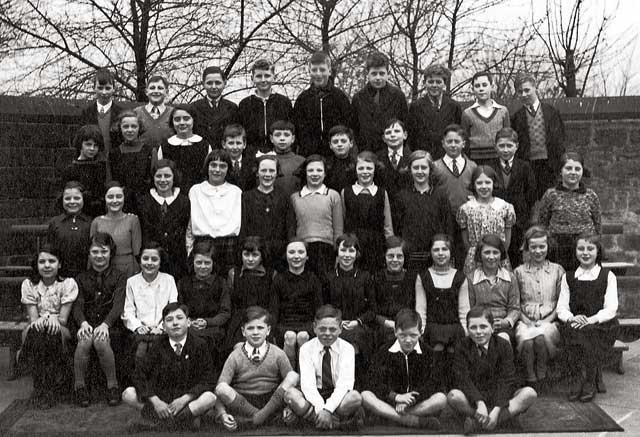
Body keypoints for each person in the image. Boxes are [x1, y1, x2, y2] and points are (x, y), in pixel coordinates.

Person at [121, 303, 216, 431]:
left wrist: (185, 398)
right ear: (164, 327)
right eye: (169, 320)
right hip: (162, 402)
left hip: (187, 401)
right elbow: (138, 374)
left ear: (188, 322)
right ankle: (183, 422)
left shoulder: (200, 345)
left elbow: (208, 378)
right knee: (128, 394)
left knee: (210, 397)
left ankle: (157, 424)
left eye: (179, 318)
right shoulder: (157, 345)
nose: (175, 323)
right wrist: (156, 401)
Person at [447, 306, 537, 435]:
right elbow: (463, 379)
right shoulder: (462, 346)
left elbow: (507, 380)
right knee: (453, 396)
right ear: (467, 329)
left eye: (483, 327)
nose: (478, 332)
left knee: (529, 393)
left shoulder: (503, 345)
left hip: (499, 397)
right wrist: (480, 403)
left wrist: (496, 410)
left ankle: (480, 422)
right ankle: (497, 420)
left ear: (492, 327)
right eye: (473, 327)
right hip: (474, 399)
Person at [215, 306, 299, 430]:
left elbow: (292, 385)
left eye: (260, 328)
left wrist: (289, 407)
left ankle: (257, 418)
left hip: (271, 400)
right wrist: (222, 414)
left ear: (268, 330)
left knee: (293, 376)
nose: (255, 332)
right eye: (250, 328)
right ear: (243, 331)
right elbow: (220, 389)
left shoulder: (278, 353)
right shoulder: (235, 355)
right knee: (222, 388)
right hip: (243, 402)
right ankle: (263, 418)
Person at [557, 233, 618, 402]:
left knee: (589, 332)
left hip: (601, 325)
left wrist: (591, 319)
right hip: (575, 324)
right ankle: (577, 377)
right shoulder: (568, 277)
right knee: (574, 331)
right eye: (581, 248)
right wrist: (572, 318)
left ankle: (590, 380)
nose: (585, 253)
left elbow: (611, 308)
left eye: (590, 249)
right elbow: (561, 307)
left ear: (598, 252)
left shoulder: (607, 276)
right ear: (575, 252)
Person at [362, 309, 446, 429]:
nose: (408, 340)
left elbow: (433, 383)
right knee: (366, 395)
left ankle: (392, 417)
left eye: (413, 335)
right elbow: (373, 381)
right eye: (403, 335)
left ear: (421, 332)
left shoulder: (429, 353)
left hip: (416, 403)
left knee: (441, 399)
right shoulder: (384, 351)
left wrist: (411, 399)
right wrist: (396, 397)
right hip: (390, 402)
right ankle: (411, 421)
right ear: (395, 332)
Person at [284, 305, 364, 430]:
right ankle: (333, 422)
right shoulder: (306, 349)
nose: (327, 334)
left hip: (337, 395)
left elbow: (345, 384)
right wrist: (322, 409)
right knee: (290, 395)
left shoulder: (347, 349)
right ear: (314, 327)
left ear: (340, 329)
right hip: (313, 395)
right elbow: (308, 385)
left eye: (332, 329)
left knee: (355, 398)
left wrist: (328, 409)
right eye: (322, 329)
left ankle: (316, 419)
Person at [19, 244, 78, 409]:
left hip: (61, 328)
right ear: (36, 264)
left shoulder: (67, 284)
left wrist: (53, 318)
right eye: (42, 261)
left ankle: (48, 388)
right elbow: (33, 318)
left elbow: (64, 319)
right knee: (39, 333)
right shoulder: (29, 284)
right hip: (37, 328)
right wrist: (46, 318)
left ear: (59, 264)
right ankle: (40, 388)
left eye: (52, 261)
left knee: (52, 332)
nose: (46, 265)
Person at [72, 232, 126, 407]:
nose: (99, 256)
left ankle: (113, 386)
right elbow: (78, 304)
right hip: (87, 323)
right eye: (95, 252)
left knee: (102, 341)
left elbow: (118, 304)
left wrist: (106, 324)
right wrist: (83, 323)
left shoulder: (120, 277)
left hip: (110, 324)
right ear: (89, 254)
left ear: (111, 253)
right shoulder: (80, 278)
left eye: (104, 251)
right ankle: (79, 387)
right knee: (84, 341)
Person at [514, 226, 564, 391]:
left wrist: (546, 320)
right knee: (526, 339)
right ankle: (530, 376)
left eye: (542, 246)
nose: (538, 251)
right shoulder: (519, 272)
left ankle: (542, 372)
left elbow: (561, 301)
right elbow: (515, 302)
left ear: (548, 247)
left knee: (542, 336)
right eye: (533, 247)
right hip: (525, 319)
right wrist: (526, 320)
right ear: (527, 248)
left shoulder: (557, 270)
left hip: (550, 319)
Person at [415, 234, 469, 388]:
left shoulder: (460, 277)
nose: (440, 253)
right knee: (437, 348)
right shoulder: (423, 277)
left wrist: (466, 333)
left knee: (454, 349)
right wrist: (421, 331)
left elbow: (464, 310)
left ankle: (454, 388)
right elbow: (420, 308)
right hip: (433, 326)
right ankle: (436, 388)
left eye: (444, 249)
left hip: (454, 326)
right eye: (436, 249)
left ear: (451, 252)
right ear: (430, 253)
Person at [322, 234, 376, 379]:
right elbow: (323, 305)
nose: (347, 255)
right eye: (343, 250)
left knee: (355, 342)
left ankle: (355, 383)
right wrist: (336, 321)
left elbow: (372, 310)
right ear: (337, 253)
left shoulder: (365, 277)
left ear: (357, 254)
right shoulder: (328, 277)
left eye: (351, 251)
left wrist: (357, 321)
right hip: (334, 324)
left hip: (357, 325)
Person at [537, 152, 601, 271]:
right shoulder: (551, 194)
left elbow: (598, 226)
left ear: (582, 171)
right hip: (558, 249)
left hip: (584, 248)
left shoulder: (591, 195)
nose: (573, 172)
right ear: (561, 171)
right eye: (568, 168)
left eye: (577, 169)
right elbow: (542, 223)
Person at [393, 150, 454, 271]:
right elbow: (397, 228)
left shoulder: (440, 196)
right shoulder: (401, 196)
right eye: (416, 167)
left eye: (424, 167)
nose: (420, 171)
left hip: (435, 257)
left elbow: (448, 227)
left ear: (430, 170)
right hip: (410, 257)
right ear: (410, 170)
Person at [511, 73, 566, 200]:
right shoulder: (517, 117)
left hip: (550, 165)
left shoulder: (551, 112)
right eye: (520, 92)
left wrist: (560, 164)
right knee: (530, 199)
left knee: (550, 198)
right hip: (528, 165)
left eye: (527, 90)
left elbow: (560, 139)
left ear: (535, 88)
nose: (524, 94)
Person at [122, 242, 178, 366]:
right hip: (140, 332)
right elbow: (128, 311)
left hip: (163, 330)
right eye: (145, 258)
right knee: (140, 351)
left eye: (154, 259)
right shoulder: (132, 282)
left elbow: (173, 307)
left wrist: (162, 327)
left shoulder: (169, 280)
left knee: (160, 351)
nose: (149, 263)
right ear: (140, 260)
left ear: (160, 262)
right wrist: (137, 326)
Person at [187, 150, 242, 272]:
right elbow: (190, 224)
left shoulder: (236, 192)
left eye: (222, 166)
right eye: (213, 165)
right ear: (207, 167)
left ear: (228, 169)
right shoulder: (195, 190)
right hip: (203, 243)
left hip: (228, 244)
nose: (217, 170)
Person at [432, 124, 478, 270]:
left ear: (463, 144)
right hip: (444, 219)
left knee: (465, 253)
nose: (453, 145)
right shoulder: (435, 167)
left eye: (457, 141)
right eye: (449, 141)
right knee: (446, 252)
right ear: (443, 143)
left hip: (466, 219)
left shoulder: (472, 166)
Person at [288, 154, 343, 276]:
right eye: (310, 170)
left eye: (319, 170)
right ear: (305, 173)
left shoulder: (333, 195)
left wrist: (338, 252)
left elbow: (338, 229)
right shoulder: (295, 197)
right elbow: (291, 228)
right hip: (303, 250)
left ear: (325, 173)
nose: (315, 174)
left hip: (326, 250)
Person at [178, 239, 231, 363]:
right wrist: (188, 321)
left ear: (213, 263)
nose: (203, 266)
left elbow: (225, 312)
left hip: (213, 328)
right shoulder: (183, 283)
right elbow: (179, 308)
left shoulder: (221, 283)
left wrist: (207, 322)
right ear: (192, 262)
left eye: (207, 263)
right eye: (199, 262)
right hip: (190, 326)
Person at [457, 165, 516, 276]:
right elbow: (466, 240)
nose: (484, 187)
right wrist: (475, 254)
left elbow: (507, 238)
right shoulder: (466, 209)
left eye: (488, 183)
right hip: (474, 259)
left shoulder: (504, 207)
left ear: (494, 183)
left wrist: (499, 253)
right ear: (474, 185)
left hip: (498, 258)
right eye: (479, 183)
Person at [271, 239, 322, 367]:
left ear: (307, 256)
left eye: (300, 252)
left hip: (307, 323)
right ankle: (289, 374)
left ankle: (304, 375)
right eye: (292, 252)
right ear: (286, 255)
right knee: (290, 337)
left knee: (303, 336)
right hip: (285, 324)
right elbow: (274, 309)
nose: (296, 256)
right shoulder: (279, 279)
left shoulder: (313, 279)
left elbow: (318, 308)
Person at [489, 127, 536, 267]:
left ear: (516, 146)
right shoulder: (490, 167)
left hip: (518, 222)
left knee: (515, 256)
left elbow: (531, 193)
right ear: (495, 146)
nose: (505, 150)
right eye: (501, 146)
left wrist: (523, 216)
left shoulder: (524, 167)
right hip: (495, 221)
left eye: (509, 146)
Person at [341, 151, 393, 273]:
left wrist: (390, 247)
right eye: (361, 168)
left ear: (375, 170)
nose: (365, 172)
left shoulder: (381, 193)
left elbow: (388, 226)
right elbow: (342, 221)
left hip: (376, 245)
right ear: (355, 170)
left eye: (369, 168)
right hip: (353, 245)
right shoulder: (346, 192)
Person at [137, 159, 190, 280]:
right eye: (158, 176)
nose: (163, 180)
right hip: (152, 261)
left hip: (177, 261)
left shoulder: (184, 201)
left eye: (167, 176)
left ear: (174, 177)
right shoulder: (144, 201)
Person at [293, 51, 351, 157]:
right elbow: (296, 131)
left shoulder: (340, 97)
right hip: (309, 157)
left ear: (329, 71)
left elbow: (349, 127)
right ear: (309, 71)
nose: (318, 74)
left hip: (335, 155)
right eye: (314, 70)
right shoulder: (302, 99)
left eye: (322, 70)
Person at [466, 234, 520, 344]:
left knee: (502, 339)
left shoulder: (510, 278)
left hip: (503, 326)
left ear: (501, 254)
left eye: (495, 252)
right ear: (480, 255)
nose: (491, 257)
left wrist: (507, 321)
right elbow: (469, 307)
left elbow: (515, 308)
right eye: (487, 252)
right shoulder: (471, 279)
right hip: (479, 324)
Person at [224, 236, 276, 351]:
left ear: (262, 256)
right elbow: (231, 303)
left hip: (263, 320)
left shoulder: (271, 275)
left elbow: (273, 305)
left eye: (255, 255)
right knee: (240, 349)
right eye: (246, 255)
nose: (250, 259)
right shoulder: (233, 274)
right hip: (240, 322)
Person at [240, 155, 290, 272]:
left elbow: (289, 227)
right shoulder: (246, 197)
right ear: (257, 173)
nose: (267, 174)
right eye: (263, 170)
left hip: (278, 255)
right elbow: (243, 226)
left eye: (272, 170)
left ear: (277, 173)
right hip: (253, 253)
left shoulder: (284, 198)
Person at [351, 51, 408, 153]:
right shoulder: (358, 98)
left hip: (390, 151)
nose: (378, 78)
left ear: (387, 74)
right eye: (374, 73)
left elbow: (405, 124)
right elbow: (354, 128)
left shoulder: (398, 96)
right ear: (367, 74)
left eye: (382, 73)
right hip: (366, 152)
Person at [407, 64, 462, 159]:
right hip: (423, 158)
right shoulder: (416, 107)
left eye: (438, 82)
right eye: (431, 82)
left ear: (444, 84)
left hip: (447, 157)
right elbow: (412, 136)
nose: (434, 85)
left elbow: (460, 133)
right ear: (425, 83)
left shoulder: (454, 106)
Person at [239, 59, 293, 154]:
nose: (263, 80)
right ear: (252, 78)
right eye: (259, 76)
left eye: (267, 76)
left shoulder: (284, 102)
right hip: (251, 156)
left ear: (274, 77)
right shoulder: (245, 104)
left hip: (279, 154)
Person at [373, 237, 418, 346]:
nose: (395, 260)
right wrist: (386, 322)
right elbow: (372, 309)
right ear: (384, 257)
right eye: (390, 256)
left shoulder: (413, 278)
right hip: (384, 326)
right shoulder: (376, 278)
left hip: (408, 324)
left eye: (399, 256)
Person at [91, 181, 142, 277]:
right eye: (110, 197)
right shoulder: (96, 222)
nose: (115, 201)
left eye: (119, 196)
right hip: (104, 270)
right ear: (105, 199)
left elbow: (137, 253)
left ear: (124, 198)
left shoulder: (132, 220)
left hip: (128, 270)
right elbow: (92, 252)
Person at [156, 104, 212, 192]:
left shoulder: (204, 145)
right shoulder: (165, 146)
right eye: (177, 119)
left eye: (186, 119)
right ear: (172, 122)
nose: (182, 122)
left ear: (194, 120)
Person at [109, 110, 154, 213]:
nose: (130, 130)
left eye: (134, 126)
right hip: (121, 202)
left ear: (139, 128)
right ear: (120, 128)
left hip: (144, 202)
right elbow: (111, 180)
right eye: (125, 126)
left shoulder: (149, 151)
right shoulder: (114, 153)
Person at [461, 71, 510, 165]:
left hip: (498, 159)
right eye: (477, 86)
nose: (481, 89)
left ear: (492, 87)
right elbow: (464, 141)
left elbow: (508, 138)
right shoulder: (467, 113)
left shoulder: (503, 111)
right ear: (472, 89)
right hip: (475, 161)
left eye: (484, 85)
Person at [47, 181, 92, 278]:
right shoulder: (55, 223)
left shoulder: (90, 222)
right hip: (61, 276)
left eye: (77, 198)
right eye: (67, 198)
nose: (72, 202)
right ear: (62, 200)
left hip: (85, 277)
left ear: (83, 199)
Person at [61, 124, 107, 218]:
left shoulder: (101, 168)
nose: (92, 149)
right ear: (80, 144)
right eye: (88, 144)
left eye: (95, 146)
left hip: (96, 214)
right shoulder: (71, 169)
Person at [80, 68, 124, 159]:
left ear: (113, 89)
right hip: (93, 162)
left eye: (108, 88)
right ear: (94, 88)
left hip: (115, 163)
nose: (104, 92)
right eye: (100, 88)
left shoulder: (121, 113)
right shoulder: (87, 113)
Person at [191, 65, 240, 148]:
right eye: (209, 83)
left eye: (218, 83)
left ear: (224, 83)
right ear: (203, 84)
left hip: (224, 155)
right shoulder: (194, 107)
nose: (213, 87)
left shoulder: (232, 108)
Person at [133, 75, 174, 150]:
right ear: (146, 91)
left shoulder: (174, 114)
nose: (156, 91)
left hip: (168, 159)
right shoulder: (136, 113)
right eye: (152, 88)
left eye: (160, 88)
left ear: (166, 92)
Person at [375, 118, 411, 203]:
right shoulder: (376, 158)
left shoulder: (412, 158)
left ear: (405, 135)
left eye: (397, 131)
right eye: (388, 132)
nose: (392, 135)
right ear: (383, 138)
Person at [270, 120, 305, 198]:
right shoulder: (265, 161)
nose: (282, 138)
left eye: (286, 135)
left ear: (293, 138)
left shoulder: (301, 161)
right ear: (271, 138)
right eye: (278, 135)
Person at [223, 124, 257, 192]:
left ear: (244, 144)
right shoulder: (221, 164)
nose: (235, 147)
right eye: (231, 143)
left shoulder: (253, 164)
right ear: (224, 144)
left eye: (238, 143)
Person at [324, 125, 357, 193]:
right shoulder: (325, 165)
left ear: (351, 143)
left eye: (343, 141)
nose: (339, 144)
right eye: (335, 142)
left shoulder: (358, 164)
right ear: (330, 145)